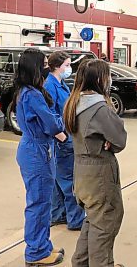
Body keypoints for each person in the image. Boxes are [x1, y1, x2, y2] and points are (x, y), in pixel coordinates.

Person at [63, 59, 127, 267]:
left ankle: (80, 263)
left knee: (93, 221)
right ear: (101, 79)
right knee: (105, 226)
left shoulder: (74, 103)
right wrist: (108, 140)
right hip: (100, 175)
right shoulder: (100, 109)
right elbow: (119, 139)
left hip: (82, 174)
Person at [12, 48, 67, 266]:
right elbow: (53, 124)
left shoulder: (28, 91)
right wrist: (60, 122)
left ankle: (42, 245)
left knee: (42, 202)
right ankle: (35, 252)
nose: (47, 67)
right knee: (38, 204)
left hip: (37, 149)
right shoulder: (32, 95)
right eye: (44, 63)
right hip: (37, 152)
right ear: (35, 67)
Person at [44, 51, 85, 231]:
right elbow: (50, 116)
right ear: (56, 66)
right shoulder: (50, 87)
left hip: (67, 137)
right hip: (62, 141)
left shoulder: (61, 85)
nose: (69, 69)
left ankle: (59, 214)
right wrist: (62, 137)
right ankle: (75, 220)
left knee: (59, 180)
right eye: (67, 65)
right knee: (69, 181)